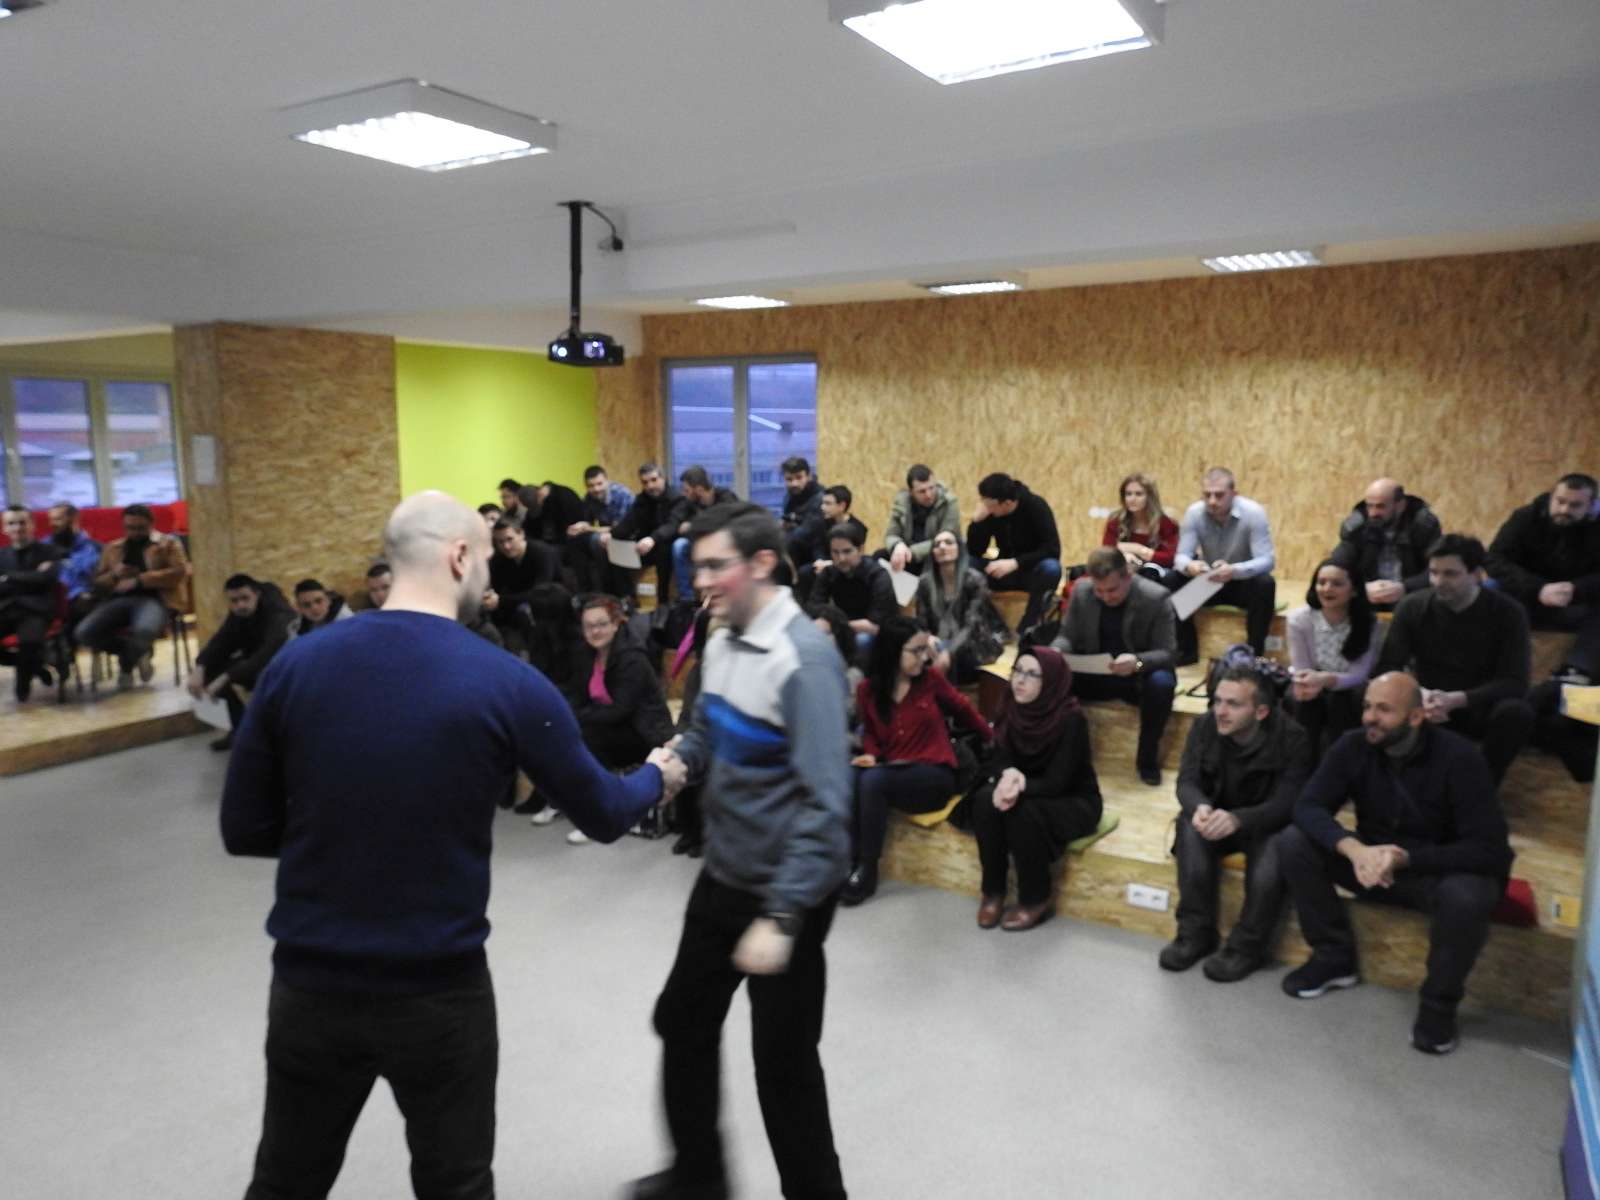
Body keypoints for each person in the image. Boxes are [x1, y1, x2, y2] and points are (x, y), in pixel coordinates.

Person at [221, 492, 683, 1200]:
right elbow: (604, 813)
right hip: (437, 990)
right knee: (455, 1184)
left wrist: (348, 832)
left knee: (286, 1181)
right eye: (487, 559)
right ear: (460, 557)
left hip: (309, 987)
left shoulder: (296, 664)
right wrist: (658, 775)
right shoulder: (507, 680)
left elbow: (244, 828)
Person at [630, 502, 850, 1200]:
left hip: (786, 895)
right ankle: (699, 1179)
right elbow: (707, 727)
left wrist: (780, 917)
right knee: (681, 1021)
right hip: (724, 876)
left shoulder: (804, 660)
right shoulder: (722, 637)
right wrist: (681, 760)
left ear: (761, 564)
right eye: (696, 567)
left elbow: (827, 810)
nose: (701, 581)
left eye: (715, 566)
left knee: (783, 1067)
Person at [1280, 672, 1513, 1055]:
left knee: (1469, 895)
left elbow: (1490, 850)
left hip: (1432, 873)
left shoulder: (1461, 758)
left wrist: (1408, 858)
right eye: (1367, 707)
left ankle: (1438, 1005)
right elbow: (1308, 806)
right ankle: (1333, 958)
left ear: (1416, 717)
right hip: (1370, 865)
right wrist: (1354, 850)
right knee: (1294, 842)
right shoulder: (1353, 745)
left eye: (1384, 710)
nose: (1370, 717)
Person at [1160, 666, 1312, 982]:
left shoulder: (1293, 738)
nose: (1221, 711)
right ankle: (1195, 933)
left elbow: (1288, 803)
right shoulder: (1204, 726)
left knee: (1276, 850)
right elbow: (1187, 781)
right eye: (1217, 701)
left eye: (1233, 704)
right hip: (1218, 816)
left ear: (1261, 711)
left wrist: (1239, 820)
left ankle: (1246, 947)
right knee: (1188, 825)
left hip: (1264, 823)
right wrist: (1199, 807)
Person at [847, 615, 992, 906]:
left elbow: (963, 708)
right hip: (893, 771)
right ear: (892, 651)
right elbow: (871, 733)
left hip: (934, 773)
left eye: (926, 649)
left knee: (873, 780)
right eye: (916, 650)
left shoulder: (931, 680)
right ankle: (848, 862)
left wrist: (991, 736)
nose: (924, 657)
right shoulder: (868, 690)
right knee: (854, 775)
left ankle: (867, 868)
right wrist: (871, 754)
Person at [1376, 533, 1533, 785]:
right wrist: (1419, 694)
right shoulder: (1412, 606)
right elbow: (1388, 665)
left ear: (1476, 575)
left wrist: (1458, 699)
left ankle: (1483, 784)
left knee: (1516, 712)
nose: (1439, 582)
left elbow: (1515, 681)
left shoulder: (1509, 613)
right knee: (1374, 694)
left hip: (1478, 704)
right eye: (1433, 573)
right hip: (1426, 703)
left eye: (1450, 574)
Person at [969, 646, 1101, 932]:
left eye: (1031, 674)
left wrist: (1018, 784)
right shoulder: (1010, 705)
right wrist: (1007, 775)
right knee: (983, 800)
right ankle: (993, 891)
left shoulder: (1070, 718)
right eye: (1018, 670)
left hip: (1072, 800)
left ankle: (1035, 898)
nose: (1020, 680)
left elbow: (1058, 782)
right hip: (1024, 788)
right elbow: (997, 757)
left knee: (1022, 811)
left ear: (1051, 680)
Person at [1049, 547, 1178, 785]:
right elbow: (1067, 635)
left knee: (1162, 683)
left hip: (1137, 676)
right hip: (1096, 670)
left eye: (1112, 590)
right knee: (1052, 672)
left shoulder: (1156, 597)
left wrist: (1137, 662)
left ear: (1127, 576)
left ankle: (1147, 757)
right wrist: (1057, 651)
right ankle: (1061, 752)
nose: (1106, 597)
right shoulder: (1081, 591)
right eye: (1099, 591)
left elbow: (1167, 653)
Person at [565, 595, 676, 846]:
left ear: (616, 624)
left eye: (601, 624)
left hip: (644, 731)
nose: (595, 631)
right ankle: (569, 803)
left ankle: (598, 816)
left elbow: (620, 710)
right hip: (609, 725)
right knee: (568, 732)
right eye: (588, 626)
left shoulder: (632, 658)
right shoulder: (585, 655)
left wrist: (578, 718)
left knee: (588, 737)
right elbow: (576, 695)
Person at [1486, 472, 1600, 684]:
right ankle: (1485, 661)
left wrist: (1576, 588)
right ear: (1551, 497)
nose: (1564, 510)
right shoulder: (1525, 517)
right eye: (1560, 501)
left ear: (1591, 506)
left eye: (1575, 505)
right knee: (1488, 590)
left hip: (1575, 603)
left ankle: (1577, 670)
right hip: (1525, 598)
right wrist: (1538, 588)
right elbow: (1495, 559)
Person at [1166, 467, 1276, 659]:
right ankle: (1186, 650)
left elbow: (1267, 560)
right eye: (1207, 495)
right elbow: (1181, 556)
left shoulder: (1253, 513)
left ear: (1234, 494)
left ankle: (1253, 655)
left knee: (1265, 584)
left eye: (1219, 495)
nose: (1212, 501)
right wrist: (1191, 566)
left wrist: (1234, 570)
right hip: (1209, 583)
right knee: (1171, 579)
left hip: (1242, 583)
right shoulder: (1194, 513)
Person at [77, 503, 190, 688]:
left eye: (140, 528)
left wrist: (140, 580)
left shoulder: (168, 544)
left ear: (151, 524)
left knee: (144, 631)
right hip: (119, 600)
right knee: (84, 633)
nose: (135, 532)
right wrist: (115, 574)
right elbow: (98, 581)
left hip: (156, 599)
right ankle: (138, 652)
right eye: (130, 528)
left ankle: (126, 666)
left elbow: (179, 573)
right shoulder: (113, 548)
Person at [187, 575, 295, 751]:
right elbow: (222, 641)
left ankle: (270, 737)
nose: (240, 605)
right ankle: (240, 731)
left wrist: (226, 677)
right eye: (234, 601)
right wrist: (200, 667)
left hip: (283, 667)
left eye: (245, 598)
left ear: (257, 594)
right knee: (211, 670)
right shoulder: (240, 612)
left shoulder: (278, 613)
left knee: (249, 676)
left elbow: (268, 654)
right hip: (256, 663)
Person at [1286, 559, 1382, 754]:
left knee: (1342, 701)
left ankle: (1342, 760)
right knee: (1301, 698)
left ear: (1354, 590)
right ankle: (1302, 761)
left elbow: (1359, 674)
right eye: (1321, 582)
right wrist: (1308, 681)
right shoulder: (1299, 620)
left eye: (1337, 584)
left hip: (1351, 685)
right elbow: (1302, 668)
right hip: (1314, 680)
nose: (1327, 589)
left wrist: (1327, 680)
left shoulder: (1370, 623)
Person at [966, 472, 1062, 631]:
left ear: (1007, 503)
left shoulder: (1036, 506)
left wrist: (1016, 563)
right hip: (1001, 572)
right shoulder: (990, 511)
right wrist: (976, 522)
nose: (985, 507)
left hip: (1030, 571)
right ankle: (995, 626)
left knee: (1051, 568)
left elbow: (1052, 549)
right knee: (967, 564)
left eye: (989, 505)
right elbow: (976, 550)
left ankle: (1029, 627)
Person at [1330, 478, 1442, 609]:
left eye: (1380, 506)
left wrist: (1405, 587)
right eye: (1369, 506)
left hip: (1413, 601)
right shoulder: (1357, 527)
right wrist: (1361, 587)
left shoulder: (1423, 526)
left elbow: (1439, 570)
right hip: (1367, 601)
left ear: (1400, 505)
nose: (1373, 513)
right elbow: (1337, 566)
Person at [916, 529, 1006, 684]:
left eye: (949, 542)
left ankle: (942, 696)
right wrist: (927, 637)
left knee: (944, 656)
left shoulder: (975, 580)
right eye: (937, 544)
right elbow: (921, 620)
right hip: (938, 643)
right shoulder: (925, 583)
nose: (942, 547)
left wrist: (948, 652)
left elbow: (971, 626)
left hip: (974, 645)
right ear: (933, 553)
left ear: (959, 549)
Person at [0, 504, 65, 702]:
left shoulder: (50, 551)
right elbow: (37, 579)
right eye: (12, 523)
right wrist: (32, 577)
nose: (17, 527)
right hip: (7, 608)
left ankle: (23, 686)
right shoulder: (1, 555)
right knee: (26, 655)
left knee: (30, 642)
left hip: (36, 610)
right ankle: (36, 667)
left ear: (32, 525)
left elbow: (47, 578)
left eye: (22, 522)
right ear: (4, 528)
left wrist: (8, 578)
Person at [810, 521, 899, 654]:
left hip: (878, 635)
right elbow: (814, 607)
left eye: (847, 551)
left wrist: (836, 628)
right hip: (845, 628)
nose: (841, 558)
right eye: (835, 552)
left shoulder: (878, 576)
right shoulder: (829, 573)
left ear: (861, 549)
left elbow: (874, 626)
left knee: (861, 641)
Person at [485, 519, 559, 656]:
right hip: (518, 603)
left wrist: (501, 600)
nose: (506, 546)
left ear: (521, 534)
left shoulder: (541, 553)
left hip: (550, 603)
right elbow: (496, 589)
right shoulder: (499, 559)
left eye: (510, 539)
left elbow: (541, 593)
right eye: (500, 542)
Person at [611, 462, 682, 604]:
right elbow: (628, 523)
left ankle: (663, 601)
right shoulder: (642, 500)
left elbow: (672, 525)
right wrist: (612, 535)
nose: (650, 486)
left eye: (654, 480)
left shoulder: (677, 497)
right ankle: (627, 598)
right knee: (615, 548)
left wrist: (653, 539)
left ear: (663, 478)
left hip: (666, 545)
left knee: (664, 548)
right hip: (645, 546)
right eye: (645, 482)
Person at [668, 466, 739, 601]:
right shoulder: (689, 502)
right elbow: (676, 522)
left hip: (723, 543)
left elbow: (722, 523)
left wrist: (693, 526)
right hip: (698, 542)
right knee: (679, 545)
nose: (684, 493)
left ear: (699, 490)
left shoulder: (726, 497)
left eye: (687, 490)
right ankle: (687, 599)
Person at [881, 463, 960, 577]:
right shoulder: (902, 502)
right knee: (880, 556)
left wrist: (912, 552)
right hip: (906, 554)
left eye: (932, 488)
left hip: (935, 554)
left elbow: (947, 538)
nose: (928, 495)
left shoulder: (948, 502)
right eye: (922, 491)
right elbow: (891, 534)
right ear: (911, 492)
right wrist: (897, 545)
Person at [568, 465, 636, 595]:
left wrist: (589, 528)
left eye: (599, 484)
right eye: (591, 486)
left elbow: (620, 528)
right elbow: (588, 521)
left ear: (607, 481)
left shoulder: (622, 494)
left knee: (597, 540)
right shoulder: (589, 497)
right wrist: (579, 526)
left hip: (629, 534)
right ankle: (585, 591)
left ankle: (611, 591)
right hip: (606, 534)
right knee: (575, 539)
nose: (596, 489)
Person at [794, 485, 865, 604]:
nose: (822, 507)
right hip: (824, 563)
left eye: (828, 504)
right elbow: (818, 546)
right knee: (805, 572)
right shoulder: (822, 523)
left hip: (846, 565)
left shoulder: (858, 528)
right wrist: (820, 561)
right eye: (823, 503)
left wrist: (830, 564)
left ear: (842, 506)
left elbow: (858, 557)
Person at [1101, 473, 1179, 577]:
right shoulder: (1116, 520)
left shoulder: (1166, 522)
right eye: (1128, 494)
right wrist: (1124, 555)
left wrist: (1138, 549)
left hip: (1154, 576)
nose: (1132, 499)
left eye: (1138, 494)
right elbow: (1106, 552)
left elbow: (1171, 558)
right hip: (1120, 572)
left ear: (1150, 497)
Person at [46, 502, 102, 622]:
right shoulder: (43, 547)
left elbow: (95, 575)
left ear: (74, 519)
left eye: (57, 519)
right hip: (55, 597)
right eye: (51, 520)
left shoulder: (94, 547)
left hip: (87, 596)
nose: (52, 524)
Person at [779, 456, 824, 562]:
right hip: (796, 551)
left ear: (808, 477)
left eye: (799, 478)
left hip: (815, 555)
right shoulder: (789, 496)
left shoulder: (820, 498)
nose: (794, 483)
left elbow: (808, 531)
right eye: (789, 479)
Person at [284, 578, 355, 639]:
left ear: (328, 600)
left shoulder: (348, 621)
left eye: (319, 601)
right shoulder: (295, 631)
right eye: (306, 605)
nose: (314, 608)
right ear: (299, 608)